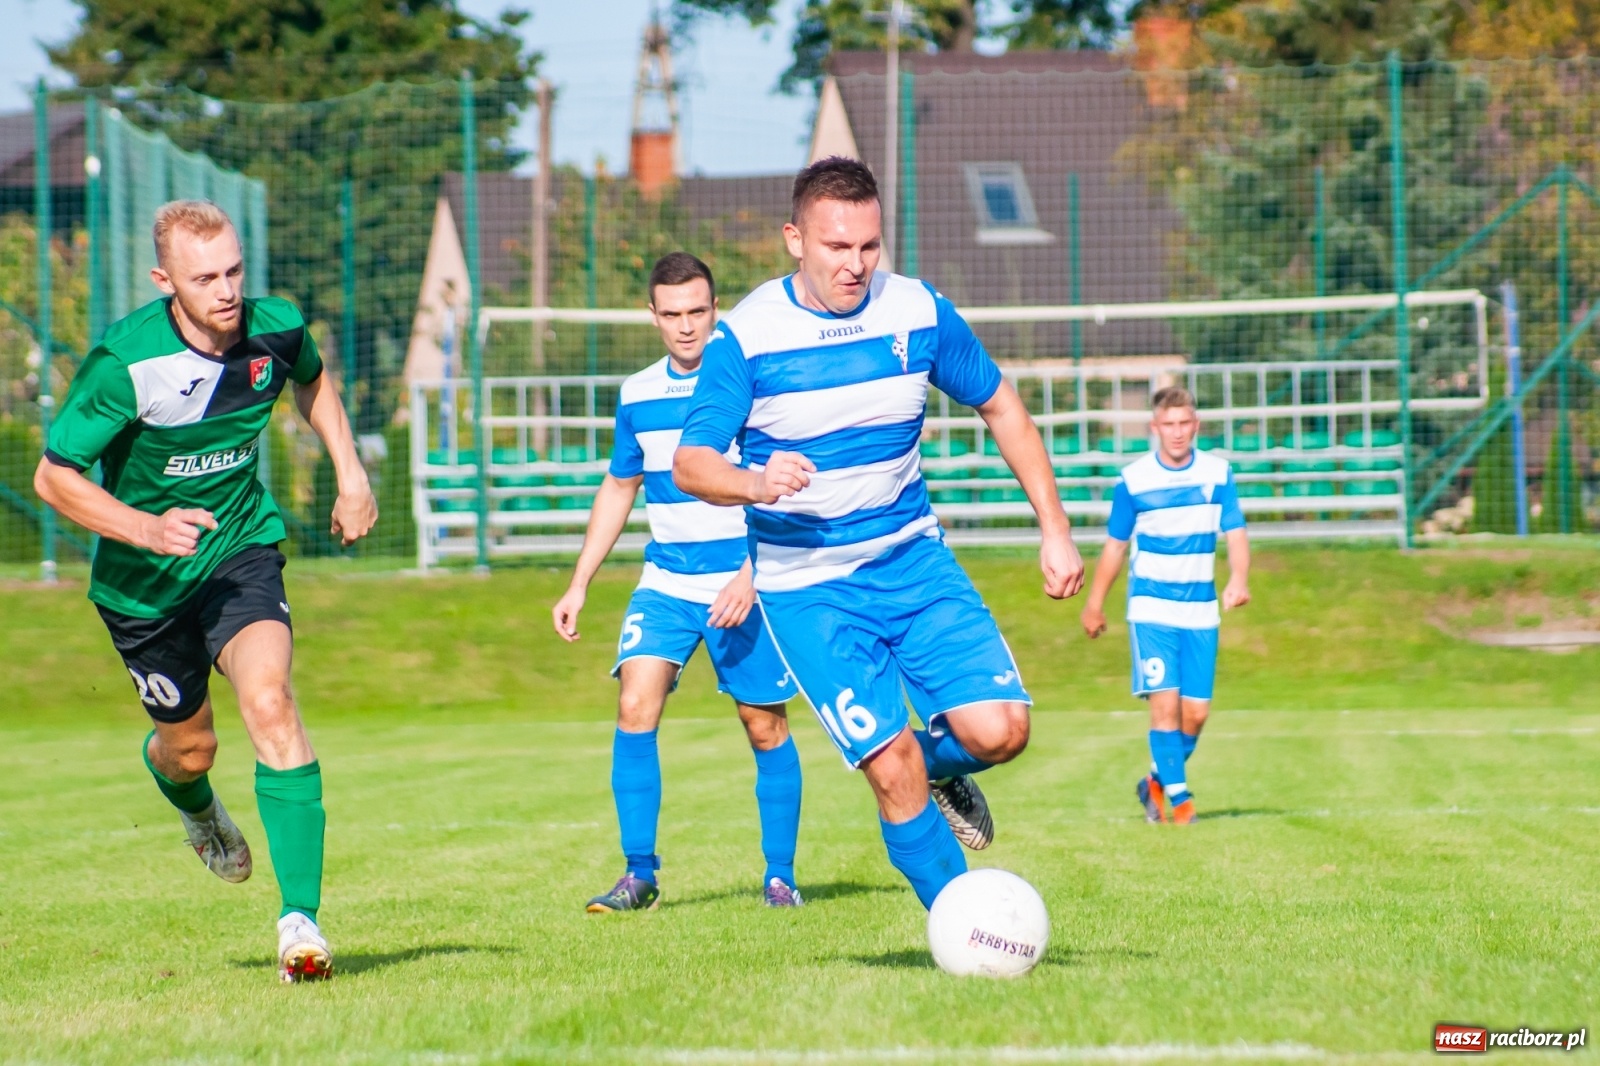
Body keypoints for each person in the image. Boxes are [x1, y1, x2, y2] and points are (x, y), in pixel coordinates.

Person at [673, 158, 1085, 910]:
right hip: (810, 588)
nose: (856, 265)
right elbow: (692, 463)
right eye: (837, 247)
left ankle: (935, 767)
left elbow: (1003, 408)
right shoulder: (750, 337)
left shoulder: (919, 312)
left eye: (869, 246)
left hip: (913, 562)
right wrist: (755, 483)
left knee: (1001, 731)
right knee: (888, 766)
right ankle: (965, 924)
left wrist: (1053, 528)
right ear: (796, 239)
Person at [33, 200, 375, 981]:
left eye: (233, 271)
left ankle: (300, 923)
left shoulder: (277, 327)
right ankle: (199, 812)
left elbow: (313, 385)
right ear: (165, 281)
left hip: (237, 549)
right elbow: (52, 478)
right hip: (141, 586)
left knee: (270, 701)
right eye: (203, 278)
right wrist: (143, 529)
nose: (225, 291)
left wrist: (351, 475)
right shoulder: (126, 364)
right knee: (191, 750)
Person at [552, 252, 803, 912]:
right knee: (636, 703)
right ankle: (639, 874)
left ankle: (781, 876)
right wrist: (580, 583)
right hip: (666, 581)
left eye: (698, 311)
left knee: (763, 725)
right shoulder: (636, 393)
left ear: (715, 309)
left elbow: (782, 491)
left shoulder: (750, 383)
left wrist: (752, 576)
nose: (686, 327)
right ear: (652, 315)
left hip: (743, 583)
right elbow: (619, 485)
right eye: (672, 314)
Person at [1079, 386, 1251, 825]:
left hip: (1201, 610)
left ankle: (1155, 779)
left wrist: (1239, 579)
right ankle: (1182, 804)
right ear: (1155, 428)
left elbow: (1235, 532)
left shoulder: (1218, 473)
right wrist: (1095, 604)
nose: (1177, 433)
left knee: (1196, 713)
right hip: (1152, 610)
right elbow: (1116, 546)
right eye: (1168, 425)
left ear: (1197, 426)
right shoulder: (1133, 480)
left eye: (1184, 424)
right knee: (1166, 709)